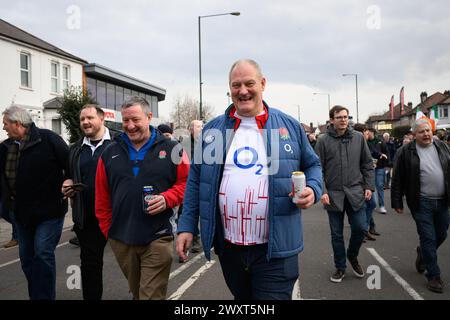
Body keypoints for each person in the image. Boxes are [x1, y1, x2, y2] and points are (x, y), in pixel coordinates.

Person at [176, 59, 323, 300]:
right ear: (230, 89)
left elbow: (313, 165)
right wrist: (186, 226)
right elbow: (195, 181)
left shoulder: (289, 126)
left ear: (263, 84)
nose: (243, 91)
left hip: (275, 250)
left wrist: (313, 189)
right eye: (236, 85)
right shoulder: (213, 131)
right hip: (230, 249)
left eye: (249, 83)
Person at [95, 96, 189, 300]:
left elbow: (188, 184)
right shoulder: (109, 152)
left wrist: (168, 198)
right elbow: (102, 197)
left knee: (150, 295)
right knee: (139, 293)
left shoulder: (173, 149)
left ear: (149, 117)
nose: (130, 126)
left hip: (158, 236)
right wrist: (108, 231)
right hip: (121, 239)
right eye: (126, 120)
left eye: (135, 120)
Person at [0, 105, 69, 299]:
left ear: (17, 123)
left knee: (42, 254)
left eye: (6, 123)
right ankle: (38, 295)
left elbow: (69, 163)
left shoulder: (48, 139)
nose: (4, 127)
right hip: (22, 214)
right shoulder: (6, 147)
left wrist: (68, 182)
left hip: (49, 211)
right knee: (27, 260)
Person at [314, 106, 374, 283]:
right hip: (333, 195)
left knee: (361, 228)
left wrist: (369, 186)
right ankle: (340, 267)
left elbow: (367, 163)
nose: (343, 120)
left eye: (345, 117)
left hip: (356, 192)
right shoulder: (323, 140)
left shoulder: (358, 138)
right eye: (339, 117)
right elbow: (318, 168)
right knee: (337, 235)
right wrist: (322, 191)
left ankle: (352, 255)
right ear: (331, 120)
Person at [391, 118, 450, 294]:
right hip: (421, 201)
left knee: (441, 234)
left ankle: (423, 253)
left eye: (428, 131)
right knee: (428, 238)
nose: (426, 134)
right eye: (421, 132)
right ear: (414, 134)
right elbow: (398, 178)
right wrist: (397, 201)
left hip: (442, 200)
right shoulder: (405, 152)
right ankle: (433, 276)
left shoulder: (442, 147)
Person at [62, 104, 112, 300]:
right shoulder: (75, 149)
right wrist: (66, 183)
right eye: (82, 119)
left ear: (102, 119)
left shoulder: (119, 144)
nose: (85, 122)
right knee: (90, 264)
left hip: (118, 215)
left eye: (89, 118)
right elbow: (68, 174)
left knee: (131, 261)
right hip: (87, 216)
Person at [352, 123, 379, 241]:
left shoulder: (365, 143)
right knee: (367, 204)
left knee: (370, 204)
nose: (367, 133)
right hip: (359, 180)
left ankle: (367, 228)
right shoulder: (355, 144)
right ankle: (363, 230)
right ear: (361, 133)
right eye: (366, 131)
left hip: (367, 179)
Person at [367, 128, 389, 213]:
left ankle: (382, 205)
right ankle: (373, 203)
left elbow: (386, 153)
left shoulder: (380, 142)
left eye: (367, 132)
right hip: (369, 168)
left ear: (372, 132)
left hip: (380, 167)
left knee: (380, 186)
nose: (366, 133)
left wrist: (386, 163)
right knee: (371, 187)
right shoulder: (365, 142)